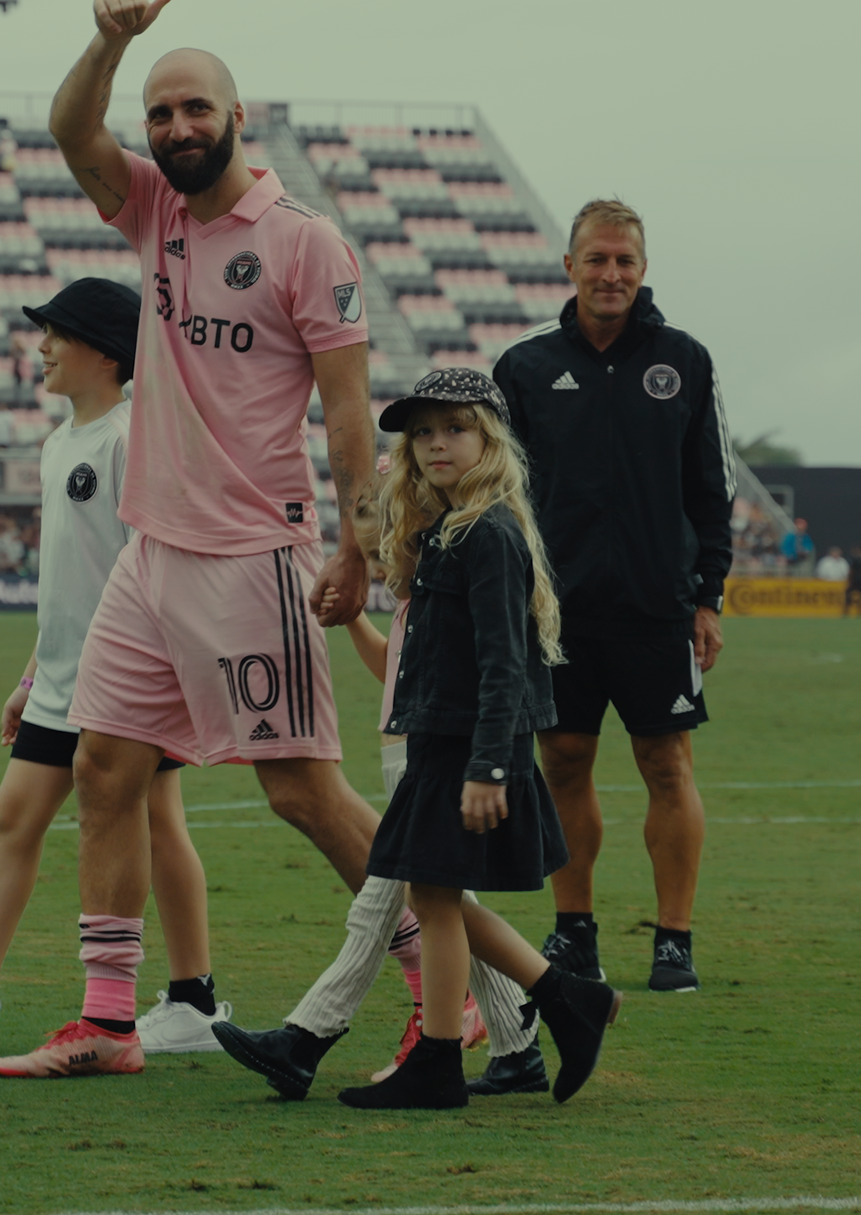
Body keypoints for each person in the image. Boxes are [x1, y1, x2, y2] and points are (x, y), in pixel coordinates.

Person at [0, 0, 380, 1079]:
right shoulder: (154, 209)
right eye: (161, 114)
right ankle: (108, 1022)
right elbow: (71, 130)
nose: (175, 129)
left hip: (253, 554)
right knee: (105, 768)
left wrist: (358, 546)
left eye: (194, 109)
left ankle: (453, 983)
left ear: (237, 115)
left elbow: (347, 411)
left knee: (302, 792)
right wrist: (110, 43)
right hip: (151, 549)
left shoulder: (306, 244)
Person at [0, 279, 232, 1057]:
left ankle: (191, 1000)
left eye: (56, 334)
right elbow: (68, 577)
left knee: (157, 826)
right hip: (64, 677)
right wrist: (33, 673)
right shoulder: (59, 442)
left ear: (104, 350)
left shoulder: (134, 438)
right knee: (18, 815)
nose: (41, 349)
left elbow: (158, 562)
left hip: (130, 674)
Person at [213, 431, 543, 1102]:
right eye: (371, 515)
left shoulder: (454, 560)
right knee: (446, 905)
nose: (377, 530)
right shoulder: (420, 579)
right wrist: (358, 624)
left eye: (389, 511)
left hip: (425, 757)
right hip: (409, 750)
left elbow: (488, 668)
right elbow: (395, 674)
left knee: (384, 905)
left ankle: (307, 1035)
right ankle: (524, 1039)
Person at [332, 371, 618, 1108]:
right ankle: (562, 999)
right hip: (437, 742)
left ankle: (442, 1057)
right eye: (422, 433)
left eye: (454, 428)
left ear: (489, 439)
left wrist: (490, 766)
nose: (435, 444)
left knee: (434, 899)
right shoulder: (448, 530)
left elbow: (505, 661)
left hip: (466, 749)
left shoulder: (487, 532)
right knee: (433, 899)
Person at [491, 198, 731, 994]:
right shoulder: (523, 368)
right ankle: (575, 932)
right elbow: (499, 492)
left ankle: (674, 941)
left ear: (643, 269)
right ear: (569, 267)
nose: (611, 274)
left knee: (668, 764)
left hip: (658, 609)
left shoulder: (685, 362)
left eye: (625, 261)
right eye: (596, 259)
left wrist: (709, 599)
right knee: (562, 762)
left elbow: (711, 491)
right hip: (554, 614)